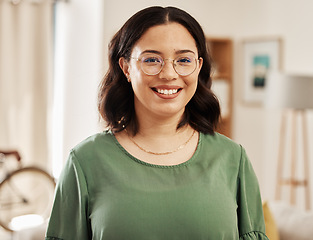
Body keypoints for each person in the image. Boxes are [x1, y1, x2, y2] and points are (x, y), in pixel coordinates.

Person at [45, 6, 269, 240]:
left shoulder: (233, 159)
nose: (169, 74)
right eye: (152, 59)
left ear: (199, 67)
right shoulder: (85, 161)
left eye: (183, 60)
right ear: (126, 68)